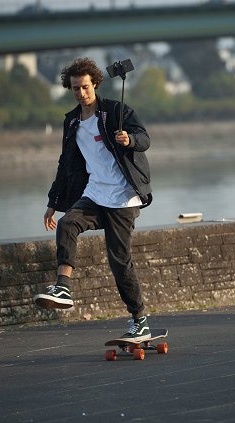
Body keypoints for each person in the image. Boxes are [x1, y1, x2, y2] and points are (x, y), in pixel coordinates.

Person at [33, 57, 153, 343]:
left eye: (85, 87)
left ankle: (140, 320)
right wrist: (53, 201)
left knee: (120, 262)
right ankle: (63, 287)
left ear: (95, 84)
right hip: (96, 194)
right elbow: (66, 163)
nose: (81, 93)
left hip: (123, 198)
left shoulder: (115, 110)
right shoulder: (72, 121)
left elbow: (144, 137)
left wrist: (129, 141)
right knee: (67, 224)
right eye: (75, 88)